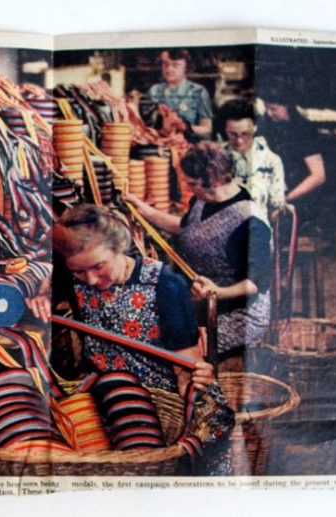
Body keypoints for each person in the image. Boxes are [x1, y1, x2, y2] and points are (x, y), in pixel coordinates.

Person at [53, 204, 234, 474]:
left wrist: (195, 383)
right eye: (79, 272)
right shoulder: (71, 275)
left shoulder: (165, 285)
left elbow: (186, 369)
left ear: (118, 248)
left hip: (164, 395)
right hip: (103, 391)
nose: (89, 279)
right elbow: (35, 297)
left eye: (98, 266)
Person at [125, 142, 272, 361]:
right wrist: (142, 209)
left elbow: (257, 283)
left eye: (193, 183)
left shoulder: (249, 223)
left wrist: (218, 292)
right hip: (201, 300)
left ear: (213, 179)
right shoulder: (203, 199)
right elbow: (186, 229)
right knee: (142, 329)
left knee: (168, 348)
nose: (188, 188)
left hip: (238, 313)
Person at [258, 85, 326, 226]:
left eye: (274, 109)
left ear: (288, 106)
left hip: (299, 197)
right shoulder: (267, 125)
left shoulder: (304, 130)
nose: (269, 113)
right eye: (266, 108)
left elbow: (318, 176)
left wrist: (286, 199)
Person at [216, 98, 286, 221]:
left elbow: (276, 206)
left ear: (255, 128)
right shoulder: (215, 158)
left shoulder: (271, 161)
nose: (239, 140)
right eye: (232, 134)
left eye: (245, 134)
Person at [146, 49, 213, 139]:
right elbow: (147, 126)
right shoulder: (154, 91)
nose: (169, 69)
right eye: (165, 64)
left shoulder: (198, 91)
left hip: (189, 147)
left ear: (186, 67)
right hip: (160, 147)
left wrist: (186, 128)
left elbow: (207, 129)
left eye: (175, 65)